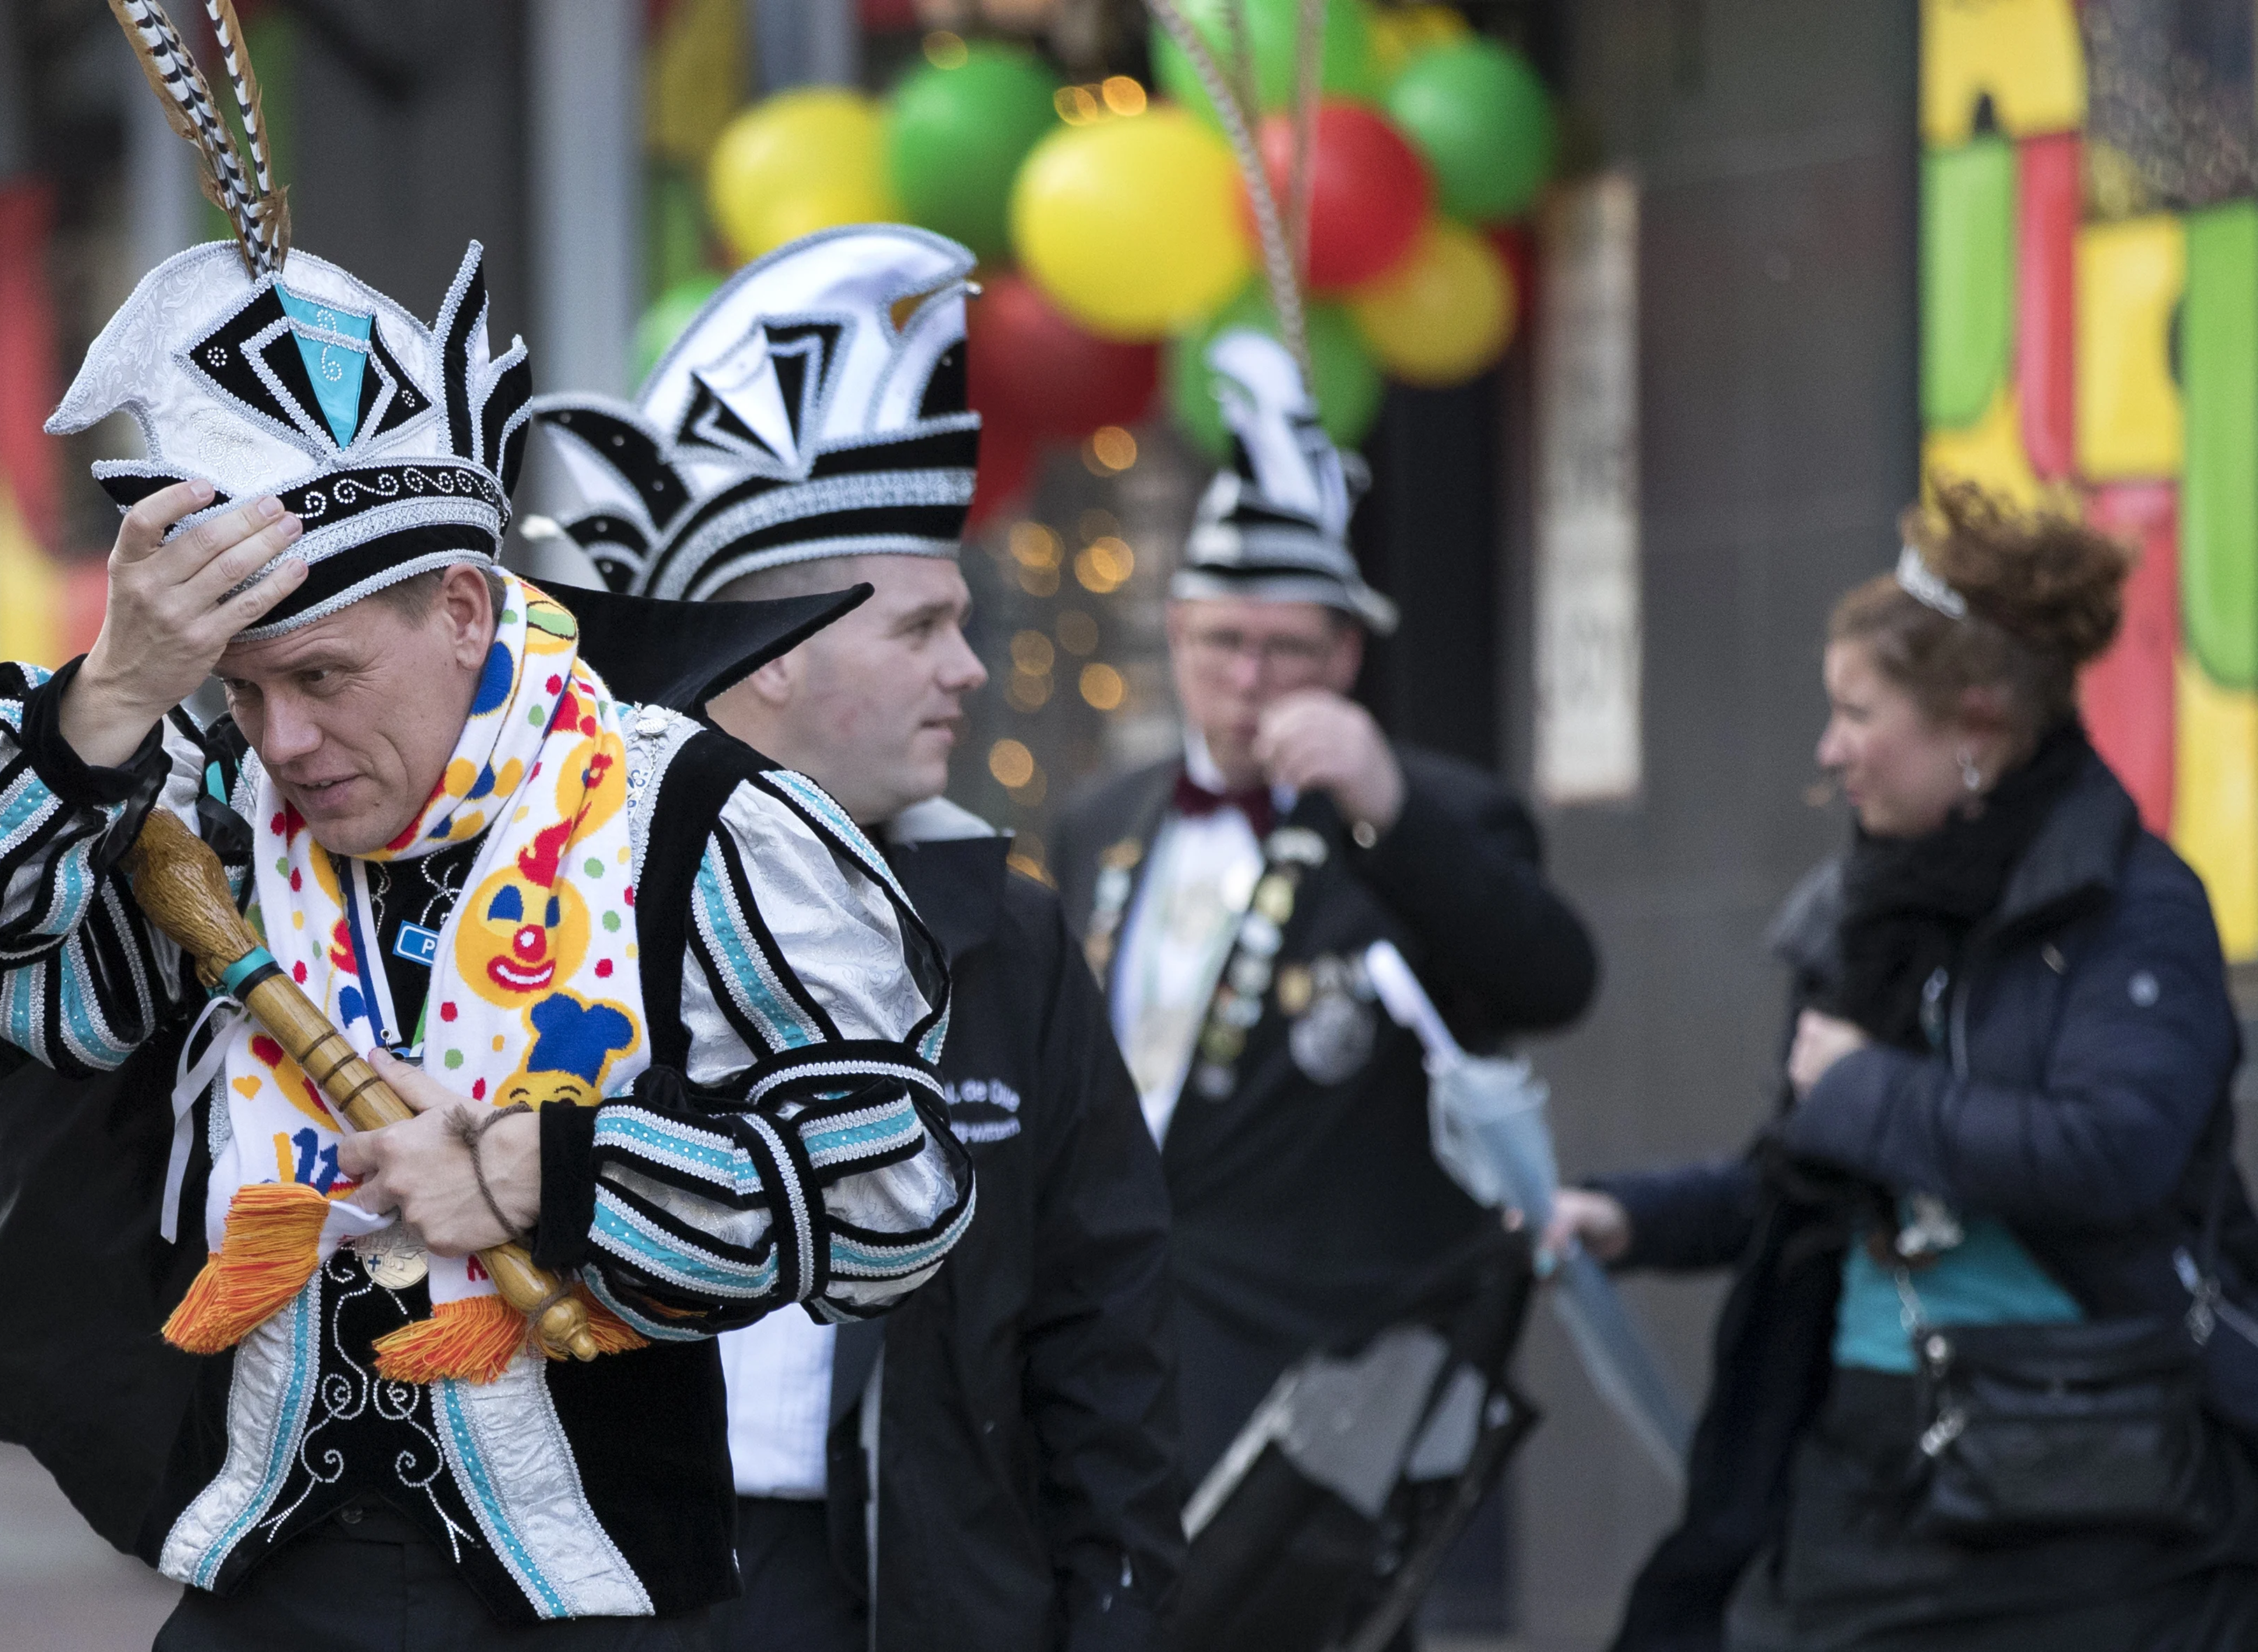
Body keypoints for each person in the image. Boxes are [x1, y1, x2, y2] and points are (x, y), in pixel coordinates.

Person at [0, 11, 970, 1644]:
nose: (282, 737)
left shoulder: (692, 815)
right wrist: (102, 713)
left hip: (593, 1601)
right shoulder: (207, 818)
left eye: (323, 675)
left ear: (460, 604)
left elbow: (901, 1189)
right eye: (238, 689)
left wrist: (540, 1165)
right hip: (254, 1574)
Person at [524, 223, 1181, 1652]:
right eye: (924, 627)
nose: (966, 667)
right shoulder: (541, 910)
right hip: (616, 1579)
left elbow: (1103, 1322)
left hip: (907, 1589)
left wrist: (1123, 1604)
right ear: (772, 659)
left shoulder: (1003, 931)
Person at [1547, 484, 2258, 1650]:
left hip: (2078, 1494)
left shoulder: (2133, 906)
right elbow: (1808, 1178)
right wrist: (1629, 1219)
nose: (1827, 751)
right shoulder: (1861, 911)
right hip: (1860, 1479)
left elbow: (2110, 1152)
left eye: (1855, 711)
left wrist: (1871, 1091)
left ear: (1973, 727)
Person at [1049, 328, 1598, 1487]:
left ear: (1346, 655)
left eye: (1285, 649)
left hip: (1324, 1348)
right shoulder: (1105, 817)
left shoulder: (1435, 813)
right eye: (1222, 644)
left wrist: (1386, 807)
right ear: (1178, 634)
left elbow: (1553, 979)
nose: (1248, 682)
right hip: (1122, 1325)